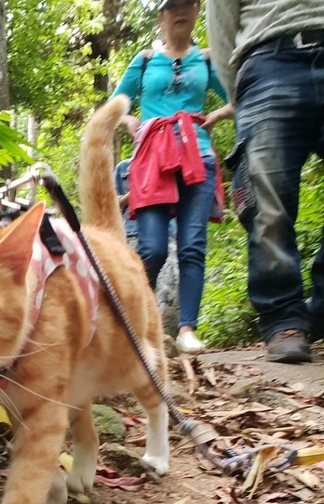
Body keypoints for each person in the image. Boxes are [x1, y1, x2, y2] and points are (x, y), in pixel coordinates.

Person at [112, 0, 233, 355]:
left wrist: (217, 116)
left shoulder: (207, 60)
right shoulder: (146, 60)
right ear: (160, 16)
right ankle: (132, 324)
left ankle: (186, 330)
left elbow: (239, 96)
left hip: (198, 157)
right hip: (151, 159)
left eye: (188, 4)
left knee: (192, 246)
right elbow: (118, 100)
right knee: (150, 247)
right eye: (172, 5)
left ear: (198, 12)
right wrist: (128, 120)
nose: (181, 9)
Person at [206, 1, 324, 364]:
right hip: (269, 55)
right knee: (267, 201)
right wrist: (239, 93)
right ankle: (283, 319)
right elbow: (221, 23)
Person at [115, 158, 180, 337]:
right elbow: (114, 204)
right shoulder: (123, 167)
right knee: (136, 292)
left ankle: (166, 345)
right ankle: (135, 341)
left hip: (169, 234)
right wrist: (139, 189)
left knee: (168, 295)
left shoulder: (172, 157)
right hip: (131, 234)